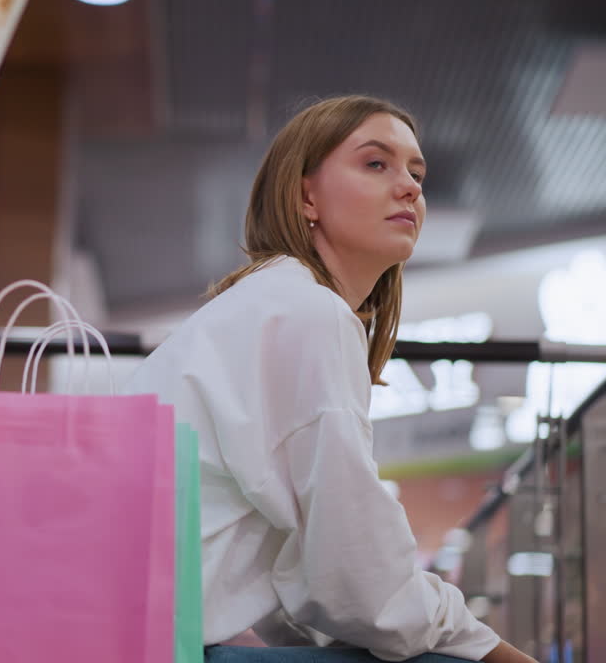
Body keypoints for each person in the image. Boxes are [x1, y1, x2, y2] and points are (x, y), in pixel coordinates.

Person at [123, 95, 537, 663]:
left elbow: (315, 576)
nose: (410, 187)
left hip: (122, 628)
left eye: (416, 173)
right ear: (304, 195)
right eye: (376, 164)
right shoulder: (306, 314)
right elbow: (362, 576)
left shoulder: (273, 303)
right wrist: (493, 651)